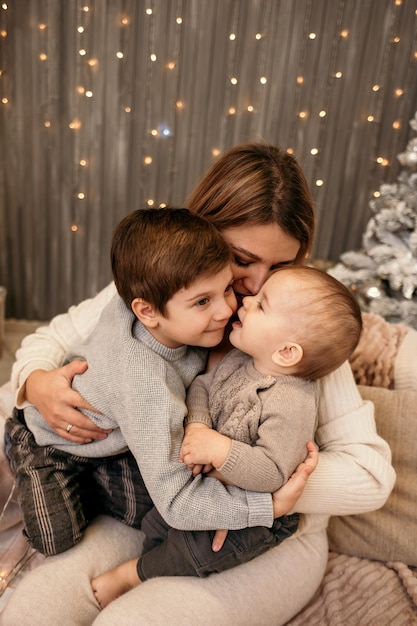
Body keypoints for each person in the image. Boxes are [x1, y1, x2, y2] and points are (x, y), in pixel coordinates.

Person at [1, 142, 395, 626]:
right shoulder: (171, 281)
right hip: (160, 510)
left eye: (281, 268)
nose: (254, 287)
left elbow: (372, 476)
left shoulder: (297, 329)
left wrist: (255, 481)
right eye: (242, 260)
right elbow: (53, 336)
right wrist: (36, 382)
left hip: (265, 534)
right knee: (34, 610)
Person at [91, 265, 362, 608]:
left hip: (250, 521)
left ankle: (134, 575)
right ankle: (155, 557)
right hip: (208, 488)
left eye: (261, 306)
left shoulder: (291, 403)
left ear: (287, 352)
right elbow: (203, 386)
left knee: (192, 552)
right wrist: (200, 426)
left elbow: (272, 473)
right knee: (158, 523)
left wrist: (220, 451)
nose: (246, 304)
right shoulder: (243, 359)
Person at [6, 206, 253, 555]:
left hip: (114, 440)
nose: (226, 310)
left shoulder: (147, 299)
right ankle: (20, 452)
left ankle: (93, 484)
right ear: (146, 311)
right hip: (49, 439)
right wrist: (261, 508)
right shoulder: (146, 383)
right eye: (202, 301)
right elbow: (177, 501)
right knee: (54, 535)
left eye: (226, 288)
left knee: (142, 512)